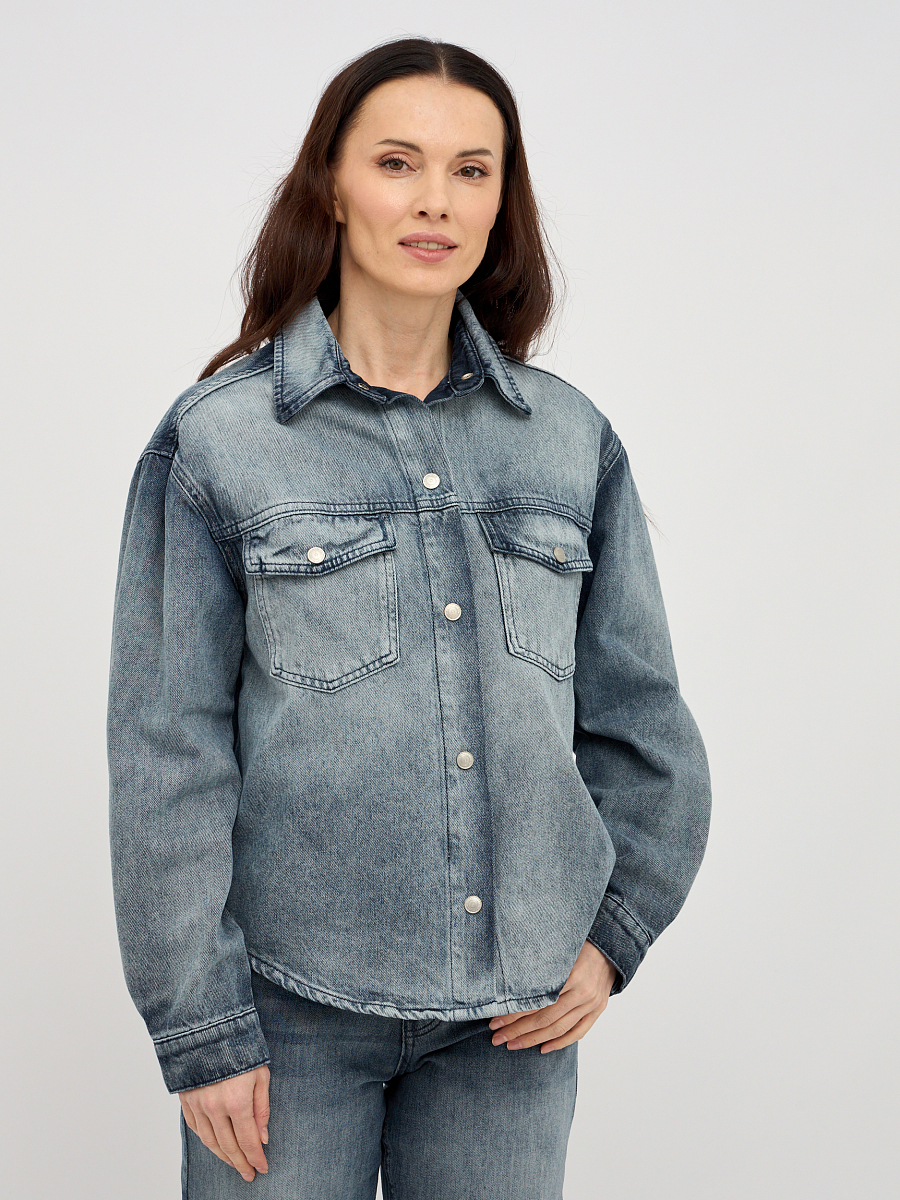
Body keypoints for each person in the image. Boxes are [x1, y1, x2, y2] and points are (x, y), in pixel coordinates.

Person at [106, 36, 712, 1200]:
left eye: (472, 170)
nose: (436, 200)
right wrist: (200, 1026)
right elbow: (166, 753)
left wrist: (613, 938)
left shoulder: (568, 442)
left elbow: (647, 730)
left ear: (500, 201)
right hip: (285, 1015)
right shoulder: (219, 443)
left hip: (512, 1027)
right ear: (333, 187)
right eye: (397, 162)